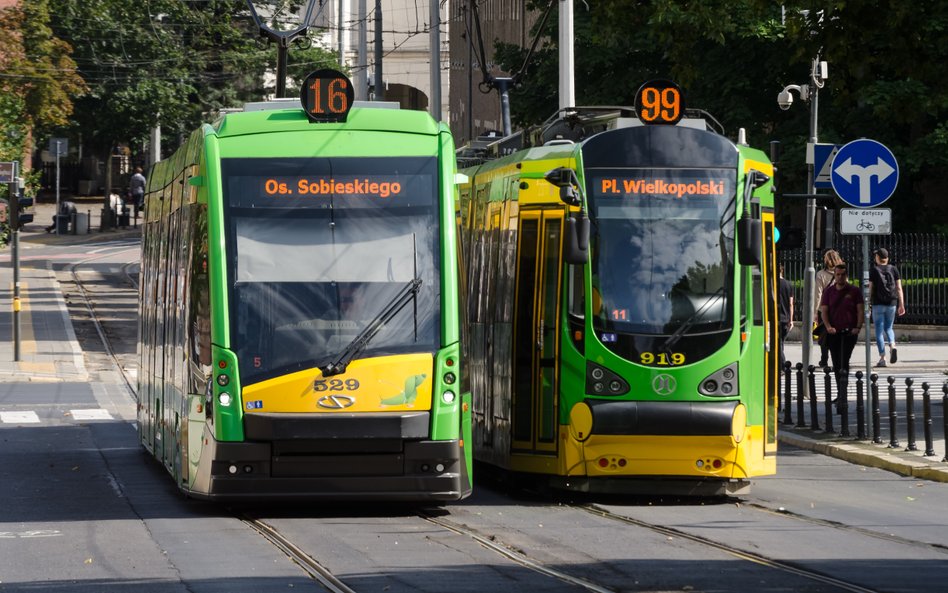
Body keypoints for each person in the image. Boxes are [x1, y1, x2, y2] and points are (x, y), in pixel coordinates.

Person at [819, 263, 864, 373]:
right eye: (838, 274)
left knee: (845, 360)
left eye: (843, 274)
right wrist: (828, 327)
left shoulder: (855, 291)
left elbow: (860, 310)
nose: (840, 277)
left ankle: (843, 385)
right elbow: (824, 311)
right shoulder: (829, 291)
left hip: (849, 332)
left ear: (846, 275)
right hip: (834, 332)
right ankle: (840, 387)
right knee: (836, 362)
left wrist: (858, 327)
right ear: (834, 275)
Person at [868, 247, 905, 367]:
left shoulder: (874, 270)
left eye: (875, 256)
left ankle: (882, 358)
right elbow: (899, 288)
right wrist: (901, 304)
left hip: (878, 304)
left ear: (878, 258)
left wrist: (867, 302)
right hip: (891, 303)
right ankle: (893, 345)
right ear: (887, 258)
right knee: (889, 328)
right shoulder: (894, 269)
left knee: (879, 331)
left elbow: (870, 288)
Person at [813, 249, 844, 368]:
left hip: (824, 310)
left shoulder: (821, 274)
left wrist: (815, 311)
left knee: (824, 335)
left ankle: (824, 359)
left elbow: (818, 294)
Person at [777, 263, 794, 370]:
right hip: (786, 318)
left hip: (776, 318)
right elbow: (791, 303)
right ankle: (781, 365)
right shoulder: (788, 284)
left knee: (778, 344)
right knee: (781, 343)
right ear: (782, 271)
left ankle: (783, 365)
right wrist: (791, 320)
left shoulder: (773, 283)